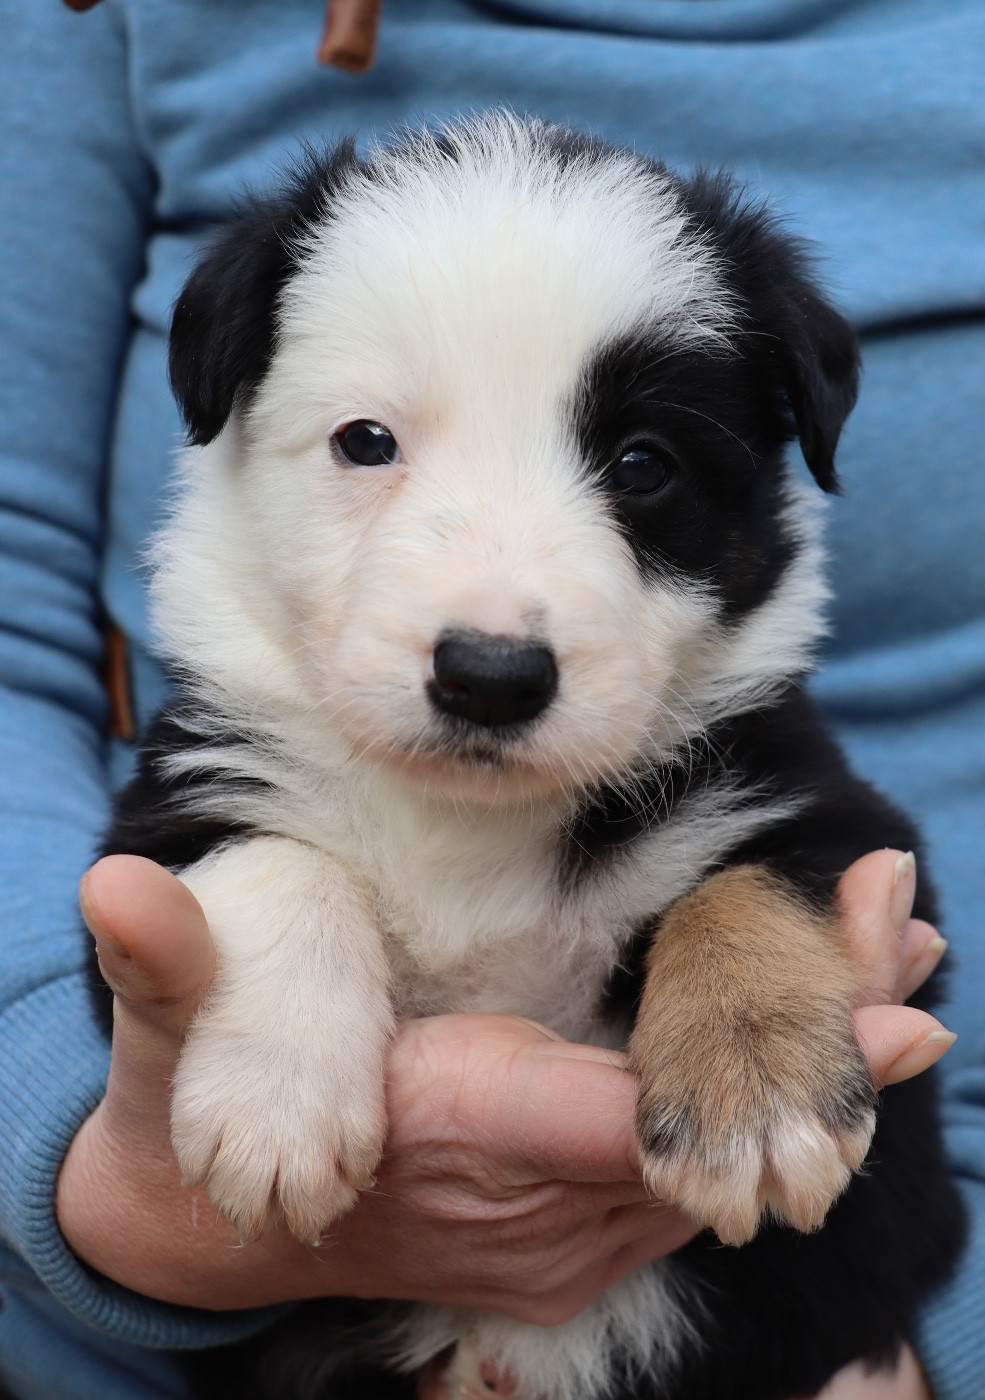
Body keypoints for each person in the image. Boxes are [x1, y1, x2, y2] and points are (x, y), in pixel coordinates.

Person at [1, 2, 982, 1398]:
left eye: (639, 468)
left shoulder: (745, 788)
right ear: (234, 418)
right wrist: (123, 1173)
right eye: (367, 443)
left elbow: (816, 893)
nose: (492, 631)